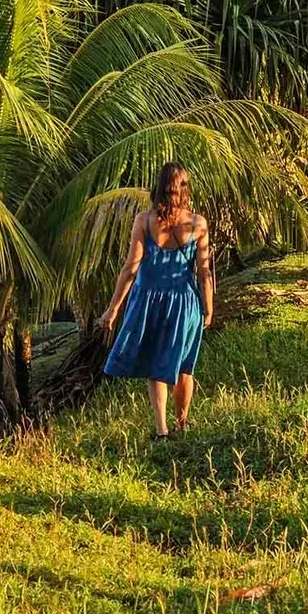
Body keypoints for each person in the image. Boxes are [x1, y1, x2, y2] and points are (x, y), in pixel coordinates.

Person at [99, 161, 214, 438]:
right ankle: (182, 422)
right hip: (185, 302)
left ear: (159, 188)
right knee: (184, 364)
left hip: (149, 300)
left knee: (156, 365)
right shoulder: (198, 223)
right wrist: (208, 308)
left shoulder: (144, 221)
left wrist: (112, 310)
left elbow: (131, 267)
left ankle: (161, 429)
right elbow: (205, 270)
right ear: (184, 189)